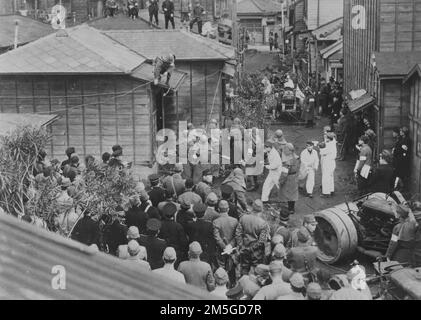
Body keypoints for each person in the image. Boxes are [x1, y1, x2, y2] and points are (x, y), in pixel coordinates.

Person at [236, 199, 269, 276]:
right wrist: (252, 248)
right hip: (256, 251)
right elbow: (262, 241)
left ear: (252, 207)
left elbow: (238, 233)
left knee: (244, 268)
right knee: (256, 270)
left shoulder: (243, 218)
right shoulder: (263, 223)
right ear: (261, 209)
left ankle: (243, 284)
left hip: (244, 248)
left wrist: (241, 245)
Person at [186, 203, 217, 268]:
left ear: (194, 213)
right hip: (205, 251)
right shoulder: (209, 225)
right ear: (205, 213)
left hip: (193, 250)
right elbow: (212, 239)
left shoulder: (190, 224)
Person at [213, 200, 239, 276]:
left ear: (218, 209)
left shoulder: (216, 222)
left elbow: (217, 237)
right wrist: (229, 246)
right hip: (231, 249)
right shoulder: (235, 220)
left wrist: (224, 247)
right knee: (232, 266)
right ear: (228, 209)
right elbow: (237, 235)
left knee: (221, 267)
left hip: (220, 249)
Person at [279, 143, 300, 214]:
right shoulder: (296, 157)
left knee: (288, 193)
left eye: (285, 149)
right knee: (293, 193)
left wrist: (281, 181)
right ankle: (292, 208)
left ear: (289, 150)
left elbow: (284, 174)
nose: (284, 150)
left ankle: (290, 208)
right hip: (295, 176)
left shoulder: (288, 161)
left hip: (289, 178)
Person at [320, 132, 337, 198]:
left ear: (328, 138)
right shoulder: (333, 142)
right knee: (330, 177)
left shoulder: (329, 145)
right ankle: (331, 190)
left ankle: (326, 193)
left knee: (325, 177)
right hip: (332, 162)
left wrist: (320, 147)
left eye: (326, 137)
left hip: (328, 162)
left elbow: (322, 152)